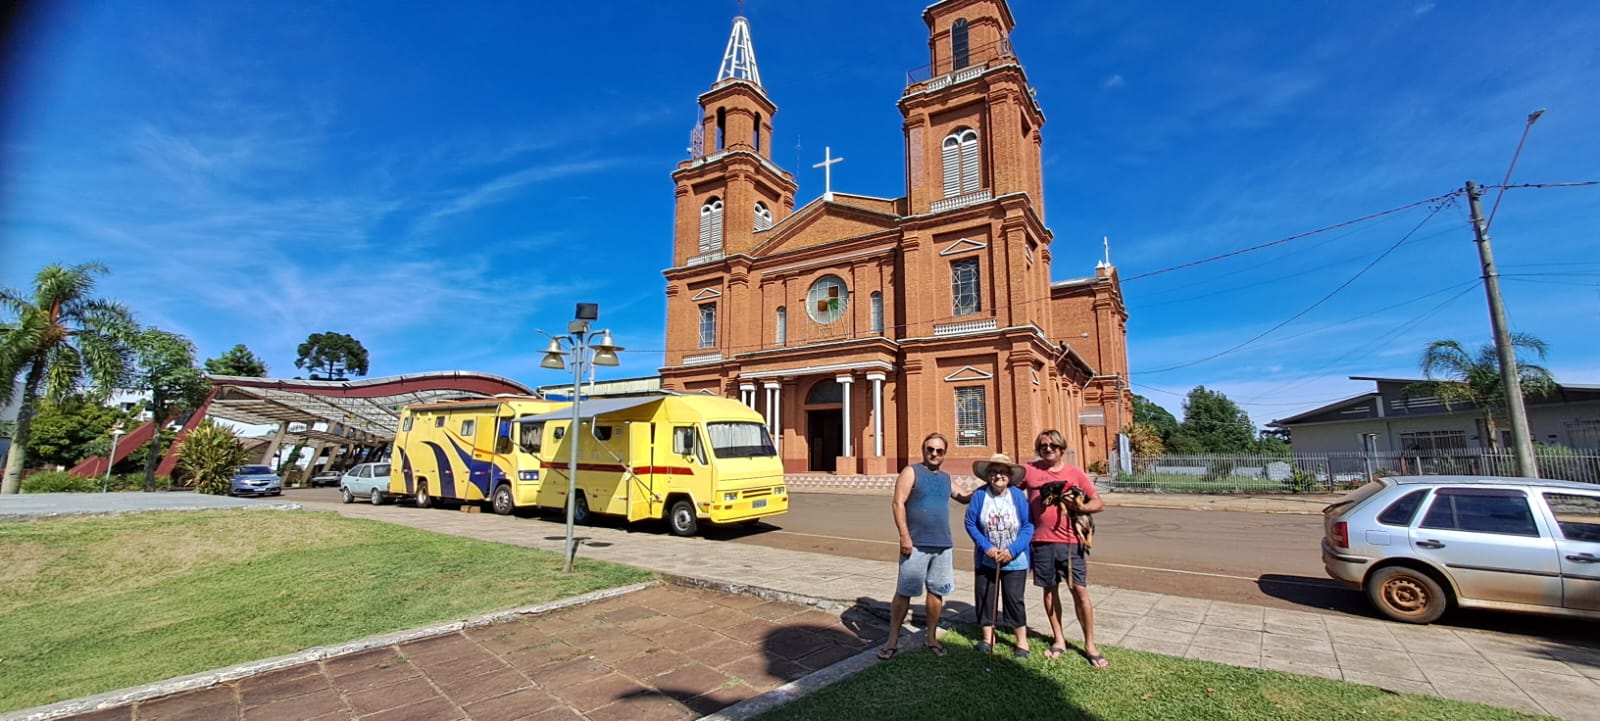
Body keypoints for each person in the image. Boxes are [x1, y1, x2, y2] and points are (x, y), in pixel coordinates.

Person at [879, 432, 973, 659]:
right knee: (904, 592)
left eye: (939, 451)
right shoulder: (911, 472)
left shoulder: (946, 478)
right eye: (930, 449)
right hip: (916, 545)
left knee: (936, 591)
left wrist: (990, 484)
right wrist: (904, 536)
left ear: (944, 454)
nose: (934, 454)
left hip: (942, 544)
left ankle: (931, 637)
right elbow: (898, 503)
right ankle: (892, 640)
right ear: (923, 450)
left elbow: (964, 496)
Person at [1019, 429, 1108, 668]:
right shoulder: (1030, 470)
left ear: (1061, 449)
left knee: (1079, 590)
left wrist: (1079, 507)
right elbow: (1007, 485)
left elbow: (1098, 503)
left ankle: (1090, 645)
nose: (1048, 449)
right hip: (1041, 541)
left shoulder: (1074, 473)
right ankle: (1059, 640)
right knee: (1049, 591)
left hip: (1071, 542)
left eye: (1053, 446)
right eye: (1043, 445)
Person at [964, 453, 1034, 658]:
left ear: (1010, 476)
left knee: (1014, 599)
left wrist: (1012, 550)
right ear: (988, 475)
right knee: (986, 597)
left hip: (1015, 559)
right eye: (994, 472)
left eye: (1003, 472)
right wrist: (986, 547)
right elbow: (970, 523)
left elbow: (1028, 525)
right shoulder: (980, 495)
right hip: (987, 558)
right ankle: (988, 638)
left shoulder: (1017, 496)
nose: (998, 476)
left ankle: (1021, 641)